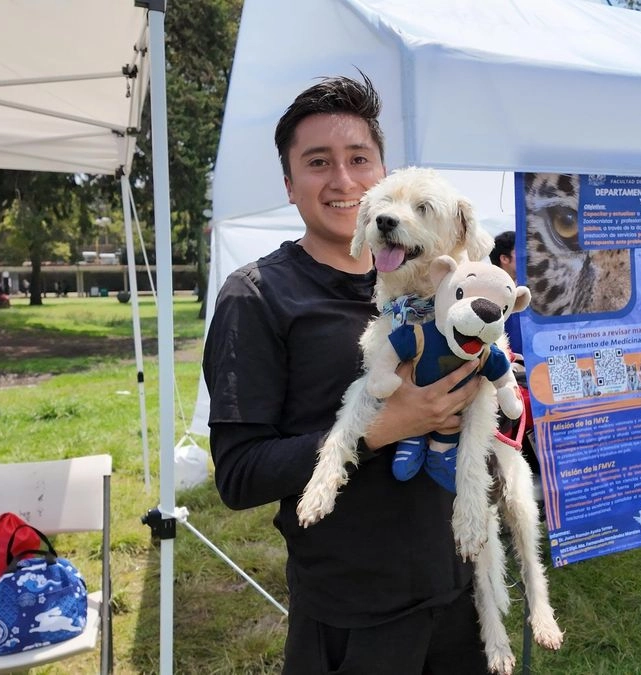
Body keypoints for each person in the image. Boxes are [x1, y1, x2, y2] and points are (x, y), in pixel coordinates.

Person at [202, 74, 490, 673]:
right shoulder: (258, 297)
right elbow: (239, 475)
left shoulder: (442, 288)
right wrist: (386, 426)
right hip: (354, 614)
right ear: (289, 185)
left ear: (383, 174)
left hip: (460, 590)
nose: (343, 180)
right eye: (317, 162)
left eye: (359, 159)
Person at [488, 231, 523, 359]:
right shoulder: (488, 297)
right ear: (504, 259)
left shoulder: (532, 292)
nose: (527, 256)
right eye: (521, 251)